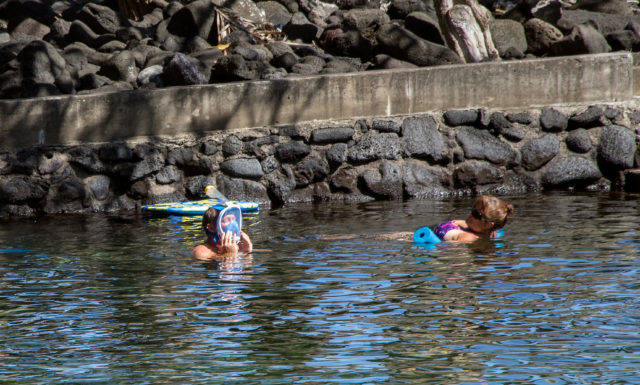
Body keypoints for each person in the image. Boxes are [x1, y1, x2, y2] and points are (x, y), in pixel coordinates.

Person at [433, 195, 514, 243]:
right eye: (473, 209)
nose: (470, 213)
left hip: (453, 226)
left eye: (476, 213)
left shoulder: (492, 233)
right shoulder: (468, 238)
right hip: (446, 230)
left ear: (488, 224)